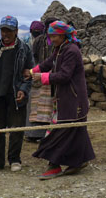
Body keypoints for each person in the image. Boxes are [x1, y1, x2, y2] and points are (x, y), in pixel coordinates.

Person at [31, 21, 95, 179]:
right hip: (65, 98)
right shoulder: (60, 49)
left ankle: (54, 164)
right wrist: (33, 70)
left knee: (59, 131)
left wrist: (42, 77)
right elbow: (49, 63)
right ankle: (78, 162)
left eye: (54, 36)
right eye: (50, 36)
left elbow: (64, 75)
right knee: (77, 131)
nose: (51, 39)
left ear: (62, 35)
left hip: (73, 99)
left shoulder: (72, 51)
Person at [0, 15, 34, 173]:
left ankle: (15, 160)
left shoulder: (24, 49)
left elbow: (29, 73)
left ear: (16, 31)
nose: (6, 34)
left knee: (17, 129)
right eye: (3, 30)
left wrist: (23, 89)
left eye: (9, 30)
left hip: (16, 95)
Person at [25, 18, 56, 142]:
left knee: (45, 106)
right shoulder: (40, 41)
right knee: (37, 105)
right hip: (40, 76)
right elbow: (34, 58)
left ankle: (44, 134)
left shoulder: (56, 42)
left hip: (48, 77)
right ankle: (33, 133)